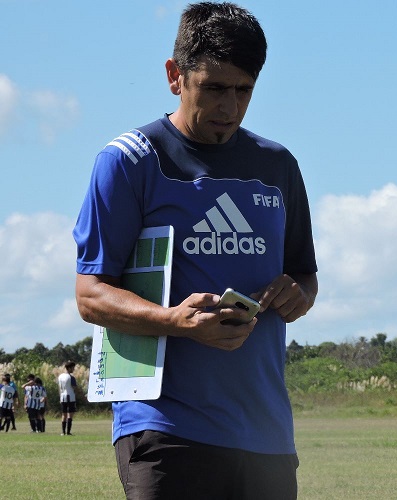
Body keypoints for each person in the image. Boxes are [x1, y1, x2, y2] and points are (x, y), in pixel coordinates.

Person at [72, 3, 318, 498]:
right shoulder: (128, 163)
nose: (229, 106)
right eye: (214, 88)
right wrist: (175, 322)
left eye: (243, 90)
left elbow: (305, 277)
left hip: (266, 434)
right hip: (165, 427)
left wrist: (299, 295)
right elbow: (91, 294)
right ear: (174, 75)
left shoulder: (277, 165)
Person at [58, 361, 79, 436]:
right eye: (73, 368)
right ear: (69, 368)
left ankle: (63, 432)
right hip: (70, 396)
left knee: (64, 415)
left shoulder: (60, 376)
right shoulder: (71, 377)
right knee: (70, 415)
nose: (73, 369)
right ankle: (68, 432)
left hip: (62, 397)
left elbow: (59, 388)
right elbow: (74, 387)